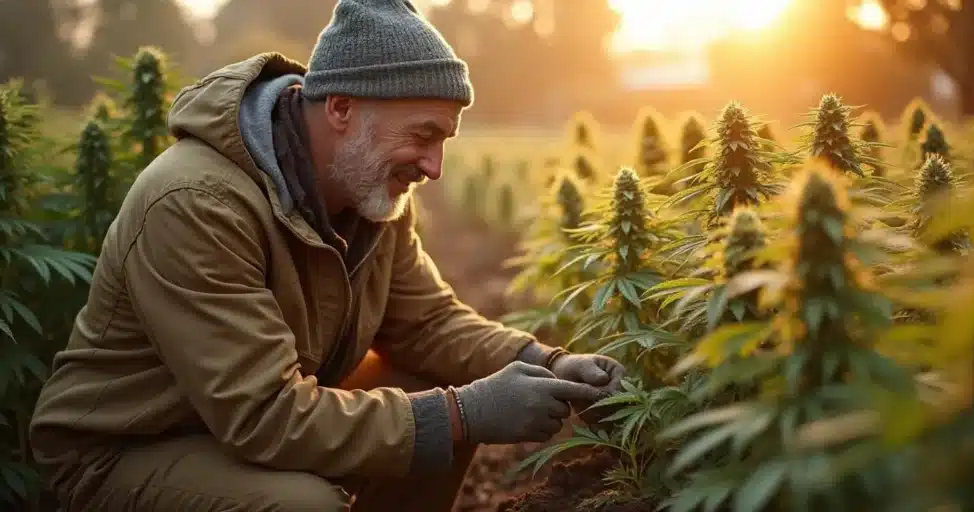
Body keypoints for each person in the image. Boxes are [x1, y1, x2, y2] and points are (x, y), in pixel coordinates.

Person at [28, 0, 626, 510]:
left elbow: (428, 323)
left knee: (446, 382)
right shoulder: (197, 203)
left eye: (443, 141)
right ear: (341, 107)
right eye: (423, 135)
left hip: (237, 426)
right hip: (129, 449)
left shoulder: (369, 193)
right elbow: (263, 415)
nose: (434, 167)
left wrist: (550, 363)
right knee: (302, 504)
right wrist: (465, 413)